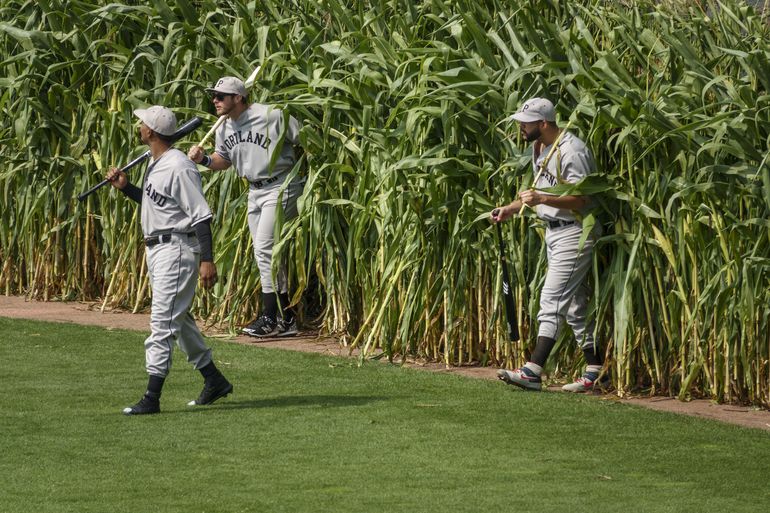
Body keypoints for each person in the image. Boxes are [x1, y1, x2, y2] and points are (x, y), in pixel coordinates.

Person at [107, 105, 233, 415]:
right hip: (159, 249)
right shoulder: (157, 161)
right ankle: (214, 379)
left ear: (150, 131)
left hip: (176, 249)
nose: (139, 127)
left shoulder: (179, 166)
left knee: (162, 322)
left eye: (142, 124)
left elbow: (200, 215)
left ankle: (151, 397)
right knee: (178, 322)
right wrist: (126, 189)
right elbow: (157, 205)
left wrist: (208, 259)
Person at [491, 97, 607, 393]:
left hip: (575, 231)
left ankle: (533, 370)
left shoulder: (572, 150)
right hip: (554, 232)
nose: (520, 127)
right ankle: (596, 370)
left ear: (543, 123)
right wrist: (511, 208)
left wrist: (542, 199)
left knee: (552, 300)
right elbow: (538, 193)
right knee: (575, 307)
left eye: (525, 122)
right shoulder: (539, 147)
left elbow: (583, 198)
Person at [188, 76, 303, 338]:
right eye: (213, 96)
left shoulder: (271, 116)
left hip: (280, 185)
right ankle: (286, 320)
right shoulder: (223, 127)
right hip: (253, 190)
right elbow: (223, 160)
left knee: (264, 250)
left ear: (238, 98)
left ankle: (269, 317)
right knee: (267, 254)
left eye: (220, 96)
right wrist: (204, 159)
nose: (214, 101)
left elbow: (306, 140)